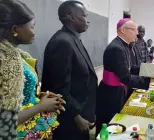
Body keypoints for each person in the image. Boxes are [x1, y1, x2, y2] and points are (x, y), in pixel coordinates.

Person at [0, 0, 65, 139]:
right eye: (32, 27)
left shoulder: (17, 55)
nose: (34, 32)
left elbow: (17, 94)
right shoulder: (5, 60)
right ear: (15, 29)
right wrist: (40, 106)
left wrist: (37, 97)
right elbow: (3, 122)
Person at [41, 1, 97, 140]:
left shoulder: (73, 38)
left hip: (80, 112)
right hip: (69, 120)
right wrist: (76, 116)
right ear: (72, 17)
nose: (87, 20)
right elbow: (59, 87)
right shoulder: (62, 42)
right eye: (84, 16)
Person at [96, 18, 150, 136]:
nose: (137, 33)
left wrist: (149, 70)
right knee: (110, 124)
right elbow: (125, 76)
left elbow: (130, 67)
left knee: (116, 122)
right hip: (111, 93)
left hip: (117, 90)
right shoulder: (117, 48)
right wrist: (149, 81)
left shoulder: (124, 45)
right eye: (134, 30)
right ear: (123, 30)